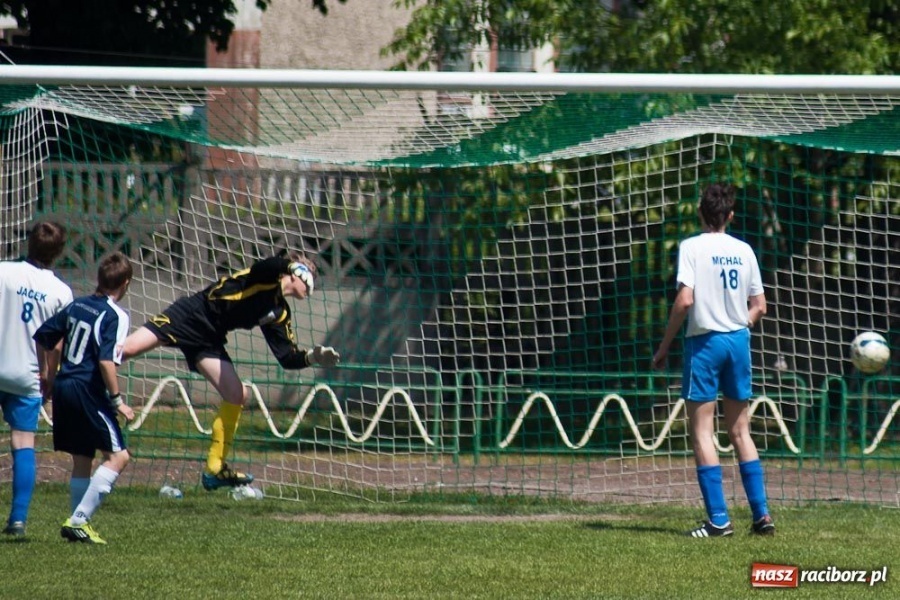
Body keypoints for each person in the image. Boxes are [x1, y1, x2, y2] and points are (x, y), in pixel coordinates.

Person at [122, 250, 339, 491]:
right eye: (309, 274)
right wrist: (291, 267)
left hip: (210, 337)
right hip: (192, 315)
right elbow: (264, 266)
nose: (311, 283)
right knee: (127, 350)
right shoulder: (267, 277)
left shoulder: (279, 312)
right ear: (295, 272)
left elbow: (287, 357)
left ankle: (215, 469)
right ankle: (87, 372)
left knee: (237, 394)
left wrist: (313, 357)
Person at [651, 183, 775, 538]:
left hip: (704, 344)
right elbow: (760, 306)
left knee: (703, 432)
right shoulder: (744, 250)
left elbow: (685, 300)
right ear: (731, 215)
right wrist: (740, 325)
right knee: (740, 431)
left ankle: (719, 520)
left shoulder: (692, 247)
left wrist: (663, 346)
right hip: (738, 342)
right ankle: (762, 516)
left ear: (700, 212)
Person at [34, 251, 134, 545]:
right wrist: (117, 401)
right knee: (119, 456)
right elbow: (106, 361)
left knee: (82, 458)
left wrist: (47, 377)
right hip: (87, 389)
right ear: (125, 283)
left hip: (65, 385)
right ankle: (79, 520)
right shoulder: (116, 315)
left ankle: (76, 524)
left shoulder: (77, 305)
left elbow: (43, 336)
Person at [0, 221, 73, 539]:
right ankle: (17, 519)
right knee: (23, 442)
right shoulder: (60, 292)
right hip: (28, 374)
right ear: (59, 253)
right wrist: (50, 377)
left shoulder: (4, 272)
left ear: (28, 243)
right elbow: (56, 343)